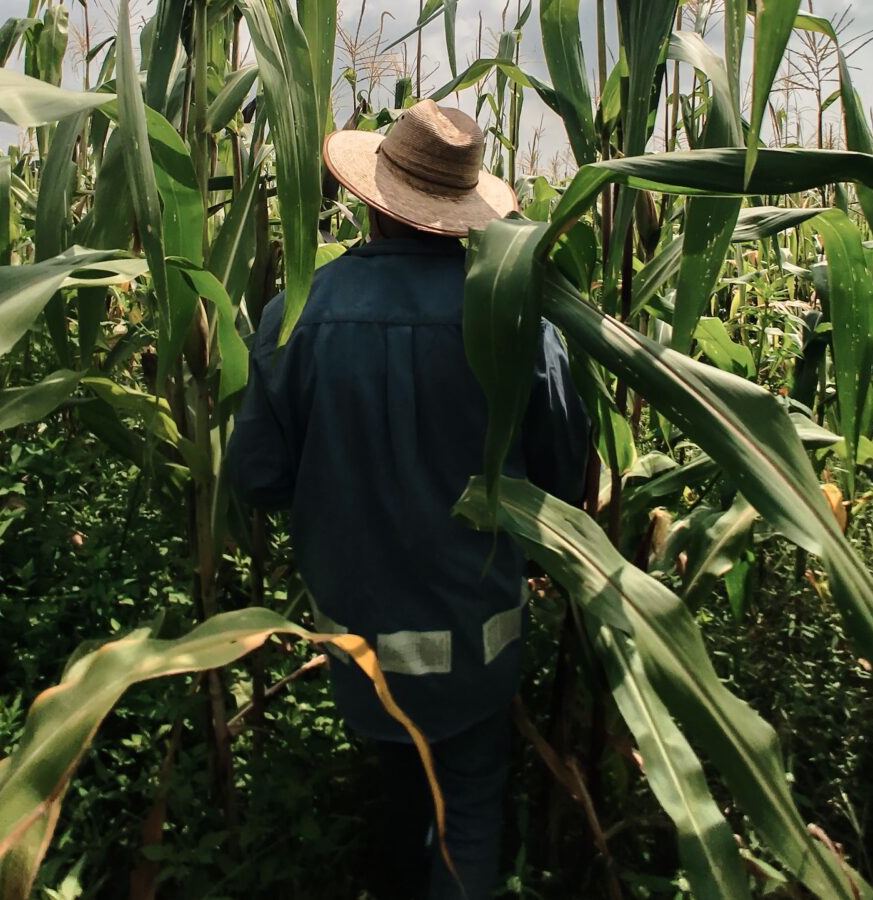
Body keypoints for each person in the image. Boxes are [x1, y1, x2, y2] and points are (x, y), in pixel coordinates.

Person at [227, 99, 589, 900]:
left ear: (371, 197)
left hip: (362, 655)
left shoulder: (298, 315)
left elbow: (256, 478)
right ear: (463, 211)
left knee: (399, 795)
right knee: (468, 815)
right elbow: (568, 487)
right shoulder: (518, 323)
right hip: (480, 651)